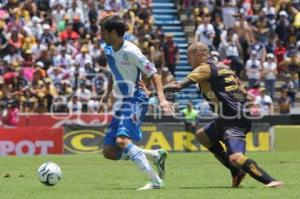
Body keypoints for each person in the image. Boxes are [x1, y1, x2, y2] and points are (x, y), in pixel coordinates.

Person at [143, 42, 284, 188]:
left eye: (189, 57)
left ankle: (270, 180)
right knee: (202, 135)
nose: (188, 61)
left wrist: (153, 93)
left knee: (236, 158)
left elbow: (178, 85)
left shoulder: (205, 68)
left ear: (198, 54)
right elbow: (244, 93)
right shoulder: (223, 66)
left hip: (233, 119)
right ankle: (236, 172)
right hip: (228, 116)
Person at [100, 15, 174, 190]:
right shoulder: (108, 49)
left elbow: (154, 74)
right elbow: (112, 70)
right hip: (122, 100)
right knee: (109, 152)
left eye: (103, 32)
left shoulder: (132, 51)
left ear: (113, 32)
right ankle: (156, 155)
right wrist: (108, 92)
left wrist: (161, 98)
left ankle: (156, 181)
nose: (100, 35)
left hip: (136, 98)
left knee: (122, 141)